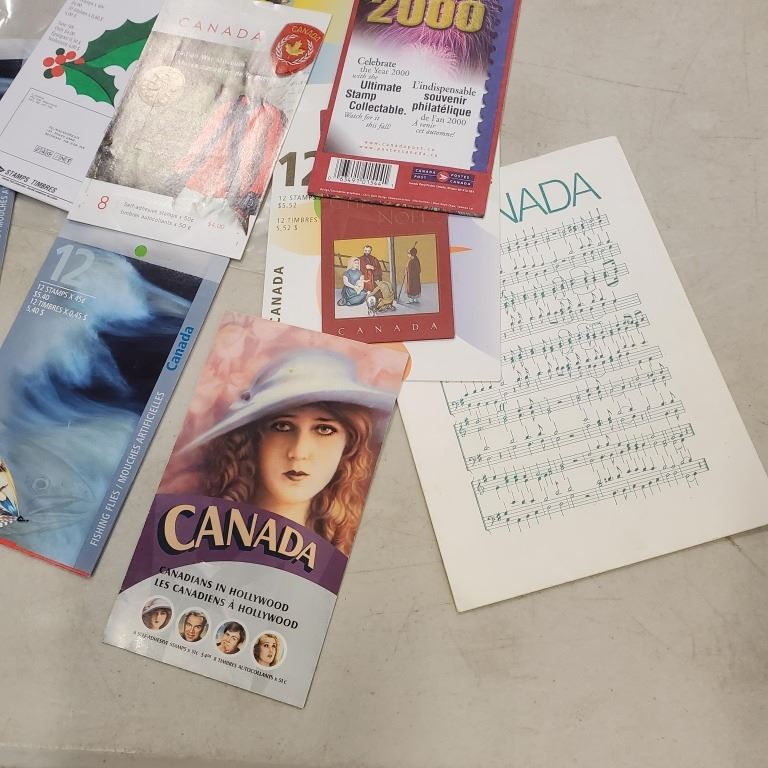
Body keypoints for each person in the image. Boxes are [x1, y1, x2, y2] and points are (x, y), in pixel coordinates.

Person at [183, 348, 395, 556]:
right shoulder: (199, 537)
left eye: (324, 429)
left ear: (348, 446)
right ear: (253, 440)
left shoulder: (340, 553)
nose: (299, 452)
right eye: (282, 426)